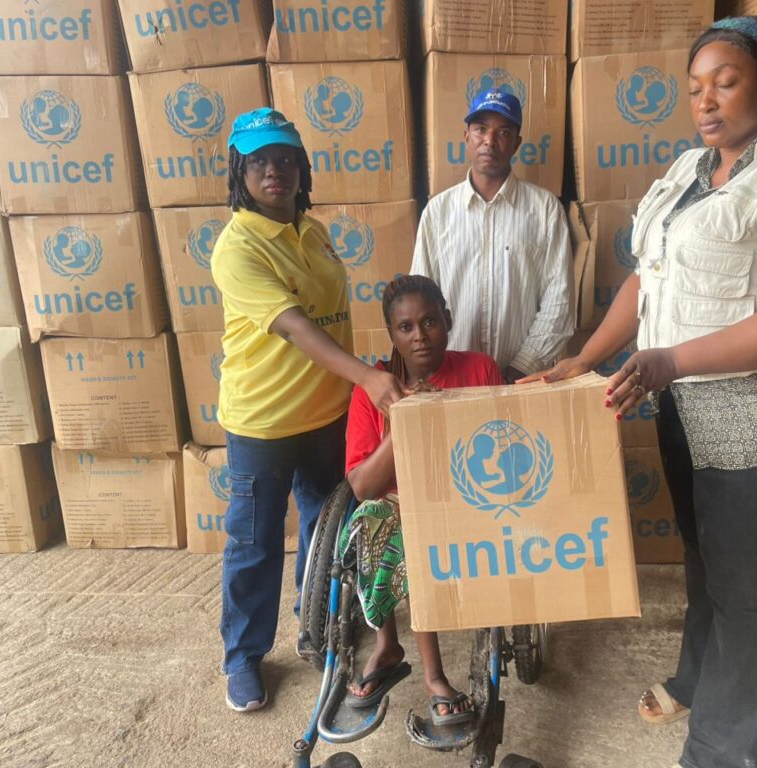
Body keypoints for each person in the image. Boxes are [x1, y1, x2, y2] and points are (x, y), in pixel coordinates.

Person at [522, 17, 757, 768]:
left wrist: (669, 361)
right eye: (694, 88)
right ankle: (697, 680)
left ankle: (726, 749)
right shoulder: (689, 169)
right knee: (704, 555)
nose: (705, 101)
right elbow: (648, 278)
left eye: (725, 82)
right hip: (684, 407)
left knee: (743, 584)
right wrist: (585, 357)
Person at [211, 108, 407, 713]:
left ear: (301, 168)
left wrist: (363, 381)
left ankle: (316, 624)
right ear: (240, 171)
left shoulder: (313, 231)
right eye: (260, 161)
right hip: (264, 420)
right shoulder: (237, 247)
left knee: (329, 529)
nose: (275, 170)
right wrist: (368, 377)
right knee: (256, 541)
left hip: (327, 412)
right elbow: (296, 327)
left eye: (286, 158)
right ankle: (244, 657)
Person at [341, 275, 503, 724]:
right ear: (391, 334)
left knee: (424, 526)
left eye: (430, 322)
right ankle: (390, 647)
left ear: (447, 320)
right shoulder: (372, 390)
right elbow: (363, 487)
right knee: (378, 520)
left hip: (468, 497)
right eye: (406, 327)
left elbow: (501, 448)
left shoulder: (479, 370)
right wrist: (405, 418)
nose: (420, 336)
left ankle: (432, 676)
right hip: (400, 506)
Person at [411, 90, 574, 383]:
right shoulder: (438, 212)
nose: (489, 140)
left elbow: (559, 300)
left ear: (516, 143)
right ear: (466, 137)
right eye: (481, 129)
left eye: (503, 132)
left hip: (522, 380)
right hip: (452, 379)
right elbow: (419, 302)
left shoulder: (545, 209)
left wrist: (523, 365)